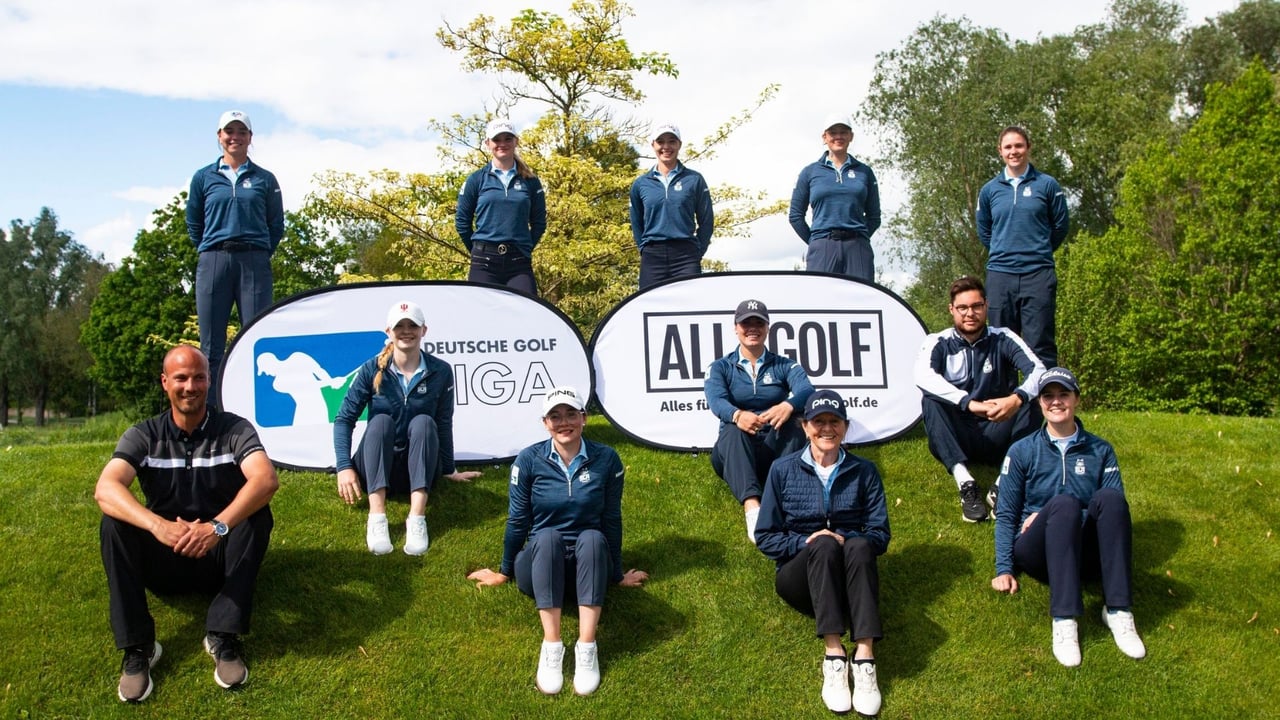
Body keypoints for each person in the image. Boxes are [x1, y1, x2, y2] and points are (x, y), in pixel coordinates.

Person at [95, 345, 278, 702]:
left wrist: (216, 528)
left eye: (198, 377)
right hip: (164, 559)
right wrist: (157, 526)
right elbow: (106, 488)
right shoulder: (144, 434)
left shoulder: (234, 429)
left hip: (219, 558)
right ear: (165, 382)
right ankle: (139, 647)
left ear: (209, 381)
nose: (190, 386)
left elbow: (265, 480)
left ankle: (222, 635)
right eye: (180, 378)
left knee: (258, 514)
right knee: (113, 522)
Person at [467, 386, 648, 696]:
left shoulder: (607, 459)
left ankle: (587, 648)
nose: (564, 422)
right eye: (555, 416)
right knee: (548, 536)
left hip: (588, 567)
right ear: (545, 423)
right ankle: (552, 647)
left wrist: (617, 574)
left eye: (571, 414)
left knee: (593, 537)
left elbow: (611, 519)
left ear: (584, 418)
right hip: (541, 565)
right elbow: (518, 521)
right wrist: (504, 572)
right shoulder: (528, 460)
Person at [991, 367, 1146, 667]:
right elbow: (1007, 514)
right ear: (1040, 403)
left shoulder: (1101, 450)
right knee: (1063, 505)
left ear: (1076, 399)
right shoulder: (1021, 451)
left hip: (1085, 550)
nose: (1056, 401)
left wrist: (1048, 513)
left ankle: (1118, 611)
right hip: (1038, 552)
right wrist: (1004, 568)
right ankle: (1064, 620)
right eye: (1048, 396)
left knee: (1110, 499)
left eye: (1064, 394)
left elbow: (1113, 516)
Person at [756, 389, 889, 716]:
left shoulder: (865, 471)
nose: (827, 429)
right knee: (823, 543)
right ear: (805, 427)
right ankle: (834, 655)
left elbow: (880, 535)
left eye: (834, 421)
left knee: (858, 543)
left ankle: (865, 657)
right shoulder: (782, 470)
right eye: (818, 422)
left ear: (845, 427)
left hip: (849, 577)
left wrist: (845, 538)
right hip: (799, 577)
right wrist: (806, 542)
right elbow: (765, 536)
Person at [332, 300, 480, 556]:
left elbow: (443, 423)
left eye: (413, 325)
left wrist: (449, 469)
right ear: (389, 331)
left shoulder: (441, 371)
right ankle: (377, 517)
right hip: (378, 467)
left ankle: (417, 518)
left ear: (424, 330)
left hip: (417, 469)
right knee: (380, 421)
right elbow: (344, 419)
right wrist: (344, 467)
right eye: (400, 326)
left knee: (424, 422)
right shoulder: (371, 369)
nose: (406, 331)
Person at [914, 275, 1045, 523]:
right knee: (930, 401)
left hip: (998, 426)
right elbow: (922, 376)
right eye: (962, 308)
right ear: (951, 310)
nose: (970, 313)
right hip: (958, 434)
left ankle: (1004, 484)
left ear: (986, 306)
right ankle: (966, 483)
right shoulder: (938, 341)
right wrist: (968, 403)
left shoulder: (1003, 337)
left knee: (1033, 402)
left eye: (976, 306)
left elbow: (1039, 371)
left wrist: (1015, 399)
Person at [186, 109, 285, 405]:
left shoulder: (265, 179)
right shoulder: (203, 177)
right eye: (229, 131)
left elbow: (276, 225)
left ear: (250, 137)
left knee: (256, 337)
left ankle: (252, 411)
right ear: (219, 136)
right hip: (214, 260)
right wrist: (212, 248)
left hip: (253, 262)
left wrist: (258, 252)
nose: (235, 137)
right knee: (211, 346)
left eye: (242, 132)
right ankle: (211, 414)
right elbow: (194, 224)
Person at [705, 299, 814, 543]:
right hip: (733, 453)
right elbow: (716, 400)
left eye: (759, 323)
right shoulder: (720, 366)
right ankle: (752, 506)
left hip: (772, 449)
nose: (752, 328)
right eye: (746, 323)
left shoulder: (784, 364)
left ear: (768, 328)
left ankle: (783, 496)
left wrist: (787, 405)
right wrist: (737, 415)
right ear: (736, 328)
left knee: (795, 421)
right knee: (733, 428)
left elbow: (807, 390)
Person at [975, 125, 1070, 367]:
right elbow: (985, 231)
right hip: (1000, 275)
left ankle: (1041, 393)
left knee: (1040, 345)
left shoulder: (1047, 185)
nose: (1013, 151)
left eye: (1018, 145)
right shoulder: (989, 190)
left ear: (1028, 147)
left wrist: (1037, 249)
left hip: (1038, 274)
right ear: (1000, 151)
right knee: (1000, 344)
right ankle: (1005, 393)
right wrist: (1005, 250)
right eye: (1008, 147)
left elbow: (1060, 226)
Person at [455, 118, 547, 296]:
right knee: (482, 312)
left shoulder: (531, 181)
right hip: (483, 263)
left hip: (519, 263)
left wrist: (525, 248)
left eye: (508, 139)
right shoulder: (476, 179)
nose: (502, 144)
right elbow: (462, 222)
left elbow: (539, 223)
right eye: (497, 139)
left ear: (516, 141)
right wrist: (476, 250)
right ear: (487, 143)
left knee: (526, 310)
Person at [788, 115, 882, 282]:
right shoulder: (810, 172)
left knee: (861, 296)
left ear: (851, 136)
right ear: (825, 137)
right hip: (823, 245)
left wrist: (860, 237)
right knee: (820, 295)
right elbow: (795, 216)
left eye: (843, 132)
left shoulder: (864, 172)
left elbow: (874, 217)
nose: (838, 136)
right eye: (833, 133)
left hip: (857, 247)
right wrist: (815, 241)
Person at [628, 122, 715, 289]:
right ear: (653, 145)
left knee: (690, 303)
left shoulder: (694, 179)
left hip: (686, 256)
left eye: (672, 141)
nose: (666, 147)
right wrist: (644, 249)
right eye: (661, 142)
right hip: (652, 257)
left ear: (679, 144)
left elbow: (706, 220)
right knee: (650, 303)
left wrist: (698, 251)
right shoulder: (640, 184)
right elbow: (636, 222)